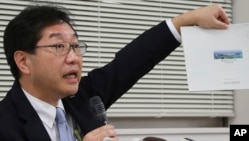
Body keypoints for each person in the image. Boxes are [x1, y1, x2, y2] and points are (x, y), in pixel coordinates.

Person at [0, 3, 229, 141]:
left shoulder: (83, 96)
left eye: (76, 46)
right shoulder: (5, 126)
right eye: (58, 46)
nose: (73, 58)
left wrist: (186, 20)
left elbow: (133, 61)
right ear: (23, 61)